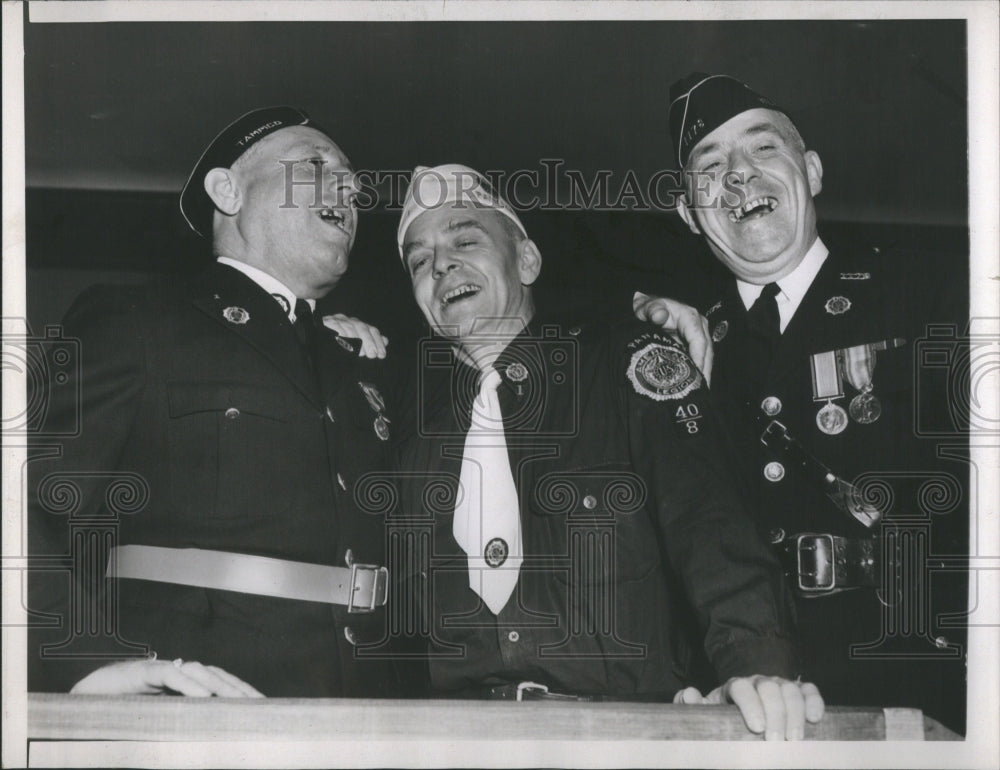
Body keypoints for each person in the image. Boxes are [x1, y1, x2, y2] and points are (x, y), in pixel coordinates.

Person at [389, 164, 825, 740]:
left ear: (526, 261)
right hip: (461, 739)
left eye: (465, 240)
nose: (441, 265)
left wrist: (759, 669)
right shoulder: (412, 441)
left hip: (622, 735)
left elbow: (711, 524)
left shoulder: (627, 362)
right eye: (420, 260)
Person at [635, 73, 969, 732]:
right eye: (710, 168)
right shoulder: (675, 349)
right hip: (744, 697)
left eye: (762, 151)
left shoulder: (933, 292)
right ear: (686, 211)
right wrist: (634, 311)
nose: (737, 177)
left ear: (812, 172)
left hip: (918, 675)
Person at [28, 107, 397, 698]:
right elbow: (22, 506)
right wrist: (85, 665)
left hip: (368, 705)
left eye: (353, 181)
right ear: (228, 191)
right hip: (202, 699)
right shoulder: (136, 321)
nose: (349, 188)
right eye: (315, 165)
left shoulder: (359, 359)